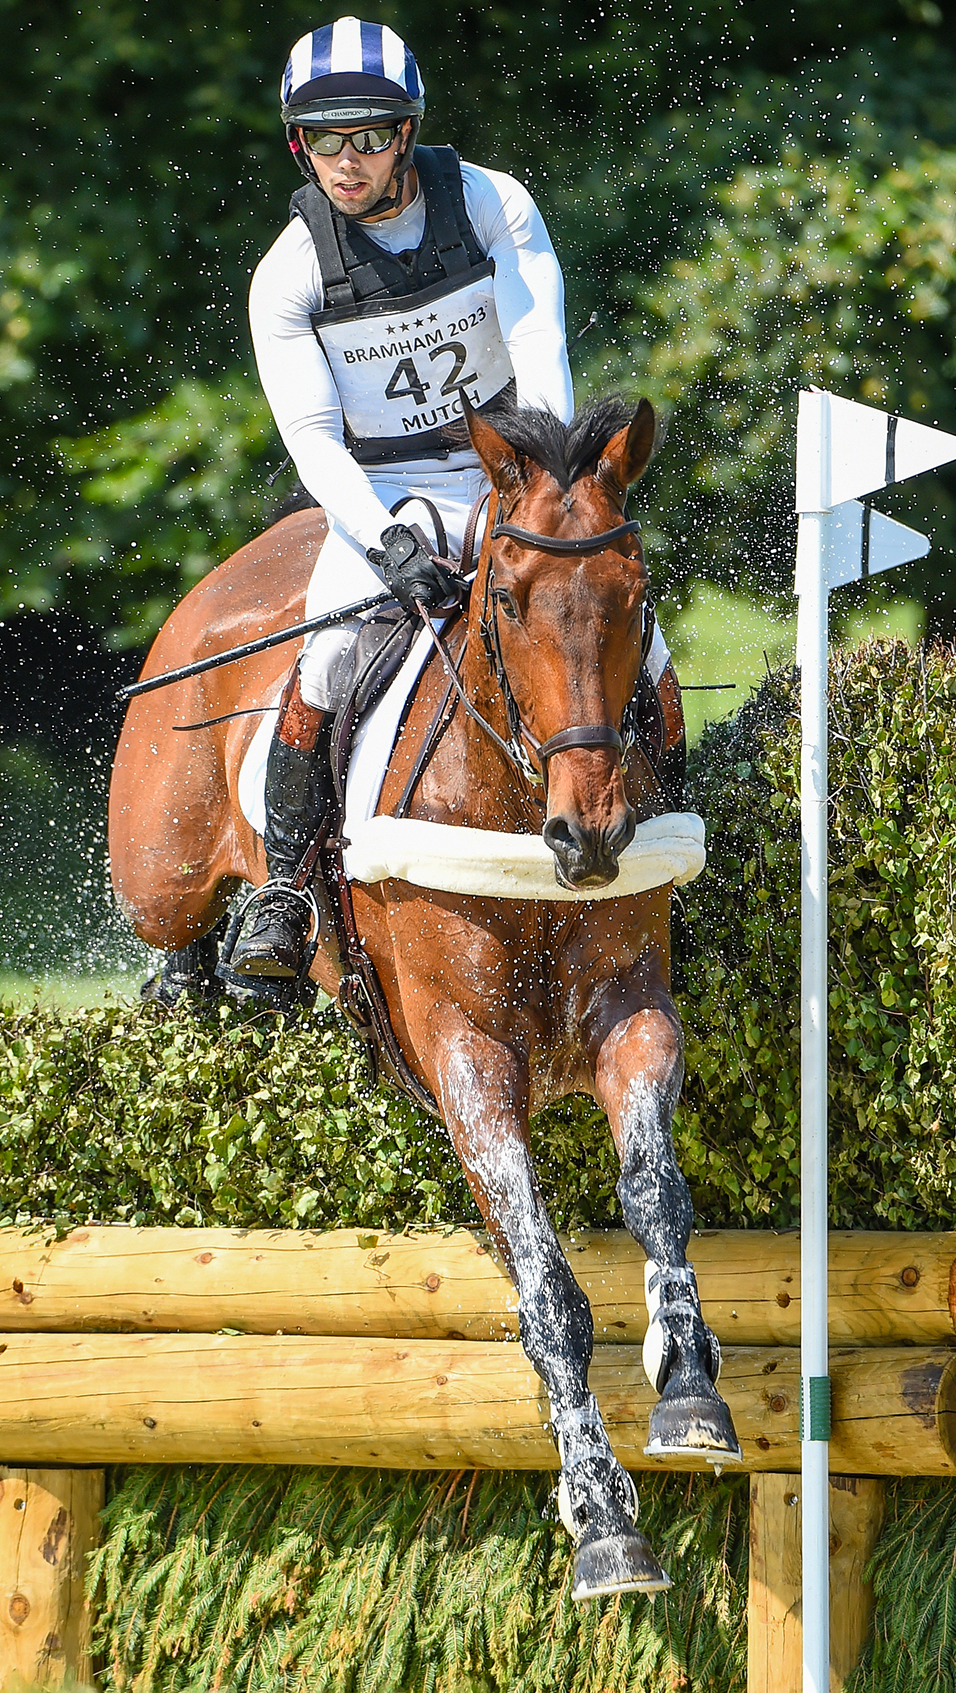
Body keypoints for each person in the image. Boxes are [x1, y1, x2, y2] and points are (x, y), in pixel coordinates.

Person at [229, 15, 576, 979]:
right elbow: (312, 442)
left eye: (371, 135)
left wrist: (540, 489)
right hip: (380, 485)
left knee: (614, 619)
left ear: (407, 133)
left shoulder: (495, 206)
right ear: (299, 142)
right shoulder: (288, 275)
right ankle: (286, 890)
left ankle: (666, 813)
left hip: (506, 464)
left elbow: (542, 355)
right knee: (331, 651)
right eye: (324, 138)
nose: (348, 160)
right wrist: (383, 542)